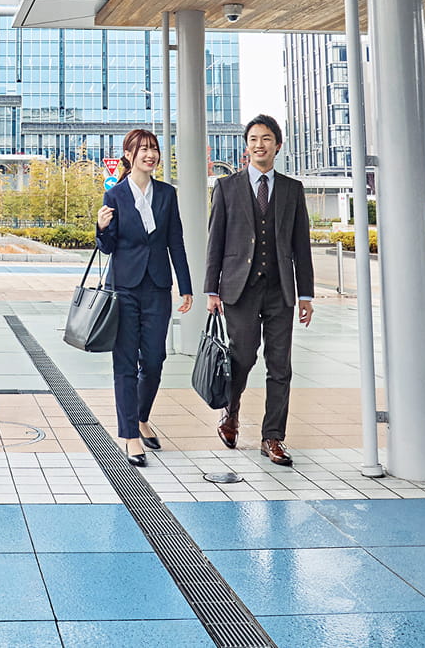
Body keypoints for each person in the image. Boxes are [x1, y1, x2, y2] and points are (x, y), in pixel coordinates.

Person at [204, 114, 314, 467]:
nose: (259, 144)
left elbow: (301, 246)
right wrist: (211, 289)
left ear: (277, 146)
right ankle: (231, 412)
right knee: (243, 356)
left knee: (280, 366)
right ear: (246, 145)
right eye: (253, 138)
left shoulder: (292, 189)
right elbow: (215, 242)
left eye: (266, 138)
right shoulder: (226, 187)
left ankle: (273, 437)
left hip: (280, 288)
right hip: (239, 288)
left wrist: (306, 295)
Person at [96, 129, 193, 466]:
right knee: (125, 363)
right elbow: (106, 248)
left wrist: (186, 285)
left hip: (157, 287)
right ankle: (130, 435)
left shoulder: (167, 193)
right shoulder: (116, 195)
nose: (150, 155)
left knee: (153, 361)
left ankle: (141, 416)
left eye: (154, 149)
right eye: (143, 150)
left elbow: (175, 241)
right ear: (128, 155)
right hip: (123, 287)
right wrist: (101, 227)